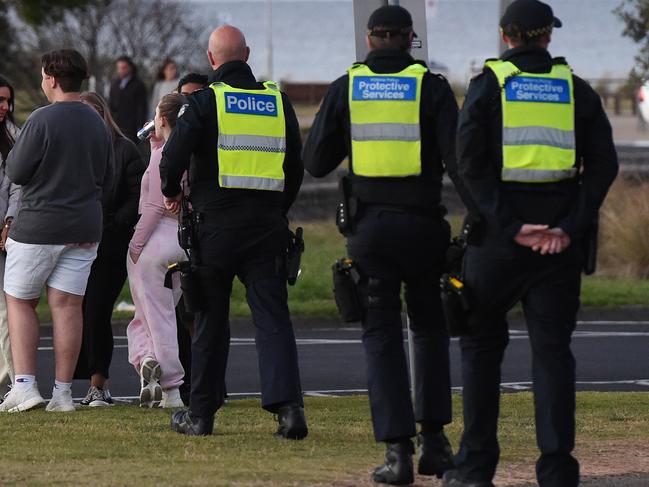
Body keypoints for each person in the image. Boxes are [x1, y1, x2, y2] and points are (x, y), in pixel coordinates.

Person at [442, 1, 618, 486]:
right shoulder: (574, 90)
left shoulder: (487, 87)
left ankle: (475, 469)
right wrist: (568, 226)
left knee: (479, 349)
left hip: (498, 245)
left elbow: (468, 162)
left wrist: (510, 225)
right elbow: (604, 165)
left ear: (506, 36)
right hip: (558, 248)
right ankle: (558, 471)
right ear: (547, 38)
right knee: (553, 355)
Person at [302, 5, 461, 484]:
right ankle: (434, 442)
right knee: (430, 328)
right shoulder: (431, 87)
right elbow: (460, 160)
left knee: (381, 334)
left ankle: (397, 453)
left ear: (370, 40)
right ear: (411, 39)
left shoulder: (347, 86)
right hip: (423, 227)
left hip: (371, 231)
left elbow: (315, 161)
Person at [160, 25, 307, 438]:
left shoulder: (205, 102)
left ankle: (201, 415)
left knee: (209, 319)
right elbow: (295, 165)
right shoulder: (277, 102)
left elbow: (173, 158)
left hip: (215, 228)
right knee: (273, 317)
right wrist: (278, 208)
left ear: (211, 60)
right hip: (266, 227)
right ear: (247, 54)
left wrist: (173, 193)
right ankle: (290, 411)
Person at [0, 49, 114, 413]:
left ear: (51, 78)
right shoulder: (98, 121)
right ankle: (63, 393)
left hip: (39, 224)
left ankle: (25, 385)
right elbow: (108, 178)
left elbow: (16, 170)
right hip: (84, 225)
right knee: (67, 306)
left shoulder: (41, 119)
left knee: (19, 300)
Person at [74, 91, 145, 407]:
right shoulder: (71, 151)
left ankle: (98, 385)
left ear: (103, 113)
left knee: (97, 311)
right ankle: (71, 385)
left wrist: (114, 223)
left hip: (110, 246)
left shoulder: (125, 150)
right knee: (76, 312)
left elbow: (137, 195)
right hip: (75, 246)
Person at [126, 93, 187, 409]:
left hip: (153, 244)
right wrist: (154, 145)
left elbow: (151, 205)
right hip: (185, 241)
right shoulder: (189, 152)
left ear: (162, 120)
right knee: (151, 316)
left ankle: (171, 386)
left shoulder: (162, 157)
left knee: (155, 316)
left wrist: (135, 245)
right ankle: (148, 358)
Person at [172, 72, 209, 406]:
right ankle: (186, 382)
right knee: (182, 311)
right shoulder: (172, 133)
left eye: (197, 95)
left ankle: (207, 384)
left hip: (207, 226)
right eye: (184, 96)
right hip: (180, 229)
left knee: (202, 309)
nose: (190, 102)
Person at [0, 76, 21, 399]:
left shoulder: (15, 137)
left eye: (7, 101)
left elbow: (20, 185)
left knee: (6, 310)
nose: (4, 107)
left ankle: (11, 380)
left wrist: (9, 221)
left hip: (5, 237)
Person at [109, 55, 148, 143]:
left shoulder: (138, 85)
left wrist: (140, 127)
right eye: (119, 68)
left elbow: (141, 107)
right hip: (117, 126)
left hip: (131, 129)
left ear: (130, 67)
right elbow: (111, 104)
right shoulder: (115, 84)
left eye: (124, 67)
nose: (121, 70)